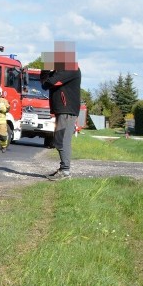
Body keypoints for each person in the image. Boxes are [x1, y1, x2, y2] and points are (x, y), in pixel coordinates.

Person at [40, 41, 82, 181]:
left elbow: (52, 82)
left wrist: (48, 72)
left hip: (67, 109)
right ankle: (63, 169)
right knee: (58, 139)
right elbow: (45, 84)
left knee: (63, 140)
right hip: (61, 109)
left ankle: (65, 171)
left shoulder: (71, 68)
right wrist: (46, 69)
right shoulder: (61, 69)